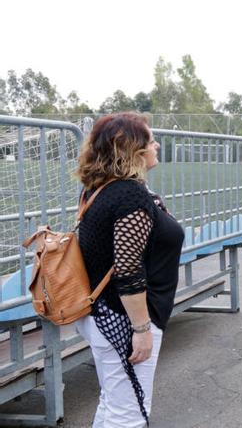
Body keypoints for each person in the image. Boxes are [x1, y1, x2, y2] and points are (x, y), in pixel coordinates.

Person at [75, 112, 184, 427]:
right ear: (133, 150)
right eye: (150, 141)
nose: (157, 146)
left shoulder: (104, 188)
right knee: (130, 414)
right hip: (120, 319)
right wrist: (141, 329)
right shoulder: (128, 195)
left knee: (114, 404)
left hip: (104, 313)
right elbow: (127, 269)